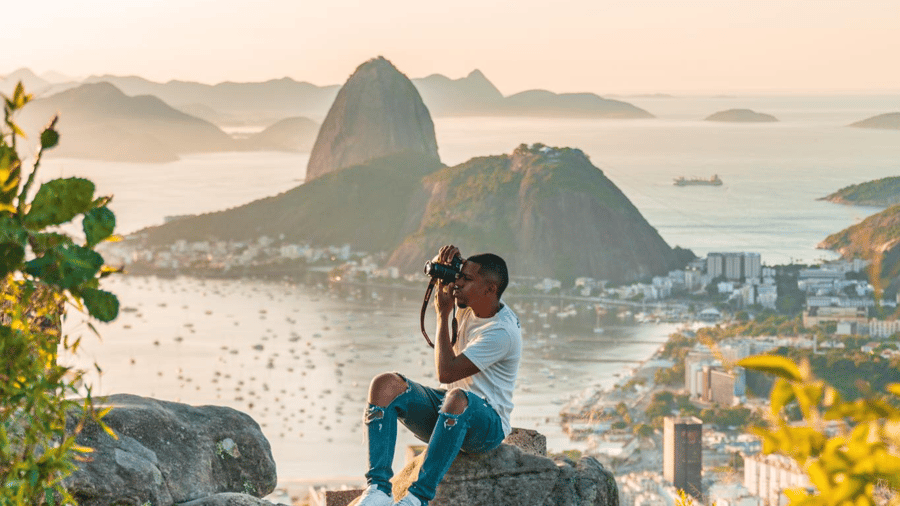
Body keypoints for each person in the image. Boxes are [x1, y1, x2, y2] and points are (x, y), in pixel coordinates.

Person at [356, 245, 522, 506]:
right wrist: (442, 263)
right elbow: (445, 276)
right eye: (460, 276)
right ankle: (378, 490)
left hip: (487, 426)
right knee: (384, 384)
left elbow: (446, 372)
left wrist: (443, 316)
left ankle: (416, 498)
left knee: (457, 396)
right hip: (451, 411)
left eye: (466, 280)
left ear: (490, 290)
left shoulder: (501, 332)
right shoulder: (472, 302)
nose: (457, 283)